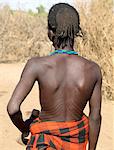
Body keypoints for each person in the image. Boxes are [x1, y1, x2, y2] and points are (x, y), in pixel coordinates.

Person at [7, 3, 102, 150]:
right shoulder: (93, 69)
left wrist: (25, 128)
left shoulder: (36, 65)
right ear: (76, 32)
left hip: (43, 144)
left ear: (51, 32)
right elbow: (95, 118)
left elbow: (13, 108)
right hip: (76, 145)